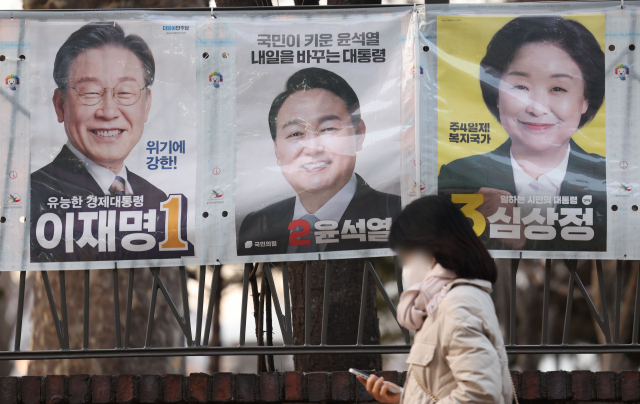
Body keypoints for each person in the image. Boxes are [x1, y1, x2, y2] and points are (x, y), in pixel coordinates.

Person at [438, 16, 606, 252]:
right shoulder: (458, 178)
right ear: (496, 94)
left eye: (558, 88)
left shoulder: (611, 181)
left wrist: (522, 235)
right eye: (520, 88)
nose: (536, 108)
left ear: (585, 100)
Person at [30, 22, 194, 262]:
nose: (108, 111)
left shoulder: (159, 201)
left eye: (125, 92)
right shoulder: (32, 196)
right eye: (90, 92)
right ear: (60, 104)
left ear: (146, 104)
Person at [358, 195, 514, 404]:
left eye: (407, 253)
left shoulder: (457, 304)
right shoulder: (444, 301)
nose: (405, 264)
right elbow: (449, 387)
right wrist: (404, 398)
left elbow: (480, 396)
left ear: (431, 249)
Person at [238, 67, 401, 255]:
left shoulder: (399, 214)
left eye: (328, 129)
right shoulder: (257, 225)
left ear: (358, 134)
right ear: (277, 150)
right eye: (296, 134)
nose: (313, 148)